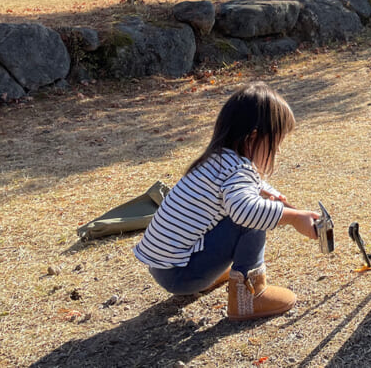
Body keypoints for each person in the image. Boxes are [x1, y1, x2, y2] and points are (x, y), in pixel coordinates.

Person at [133, 81, 321, 320]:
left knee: (250, 211)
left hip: (164, 268)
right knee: (250, 221)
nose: (278, 151)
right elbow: (246, 212)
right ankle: (249, 297)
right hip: (183, 275)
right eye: (276, 143)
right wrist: (293, 218)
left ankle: (214, 274)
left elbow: (250, 186)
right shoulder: (236, 170)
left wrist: (270, 194)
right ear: (253, 138)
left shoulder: (218, 160)